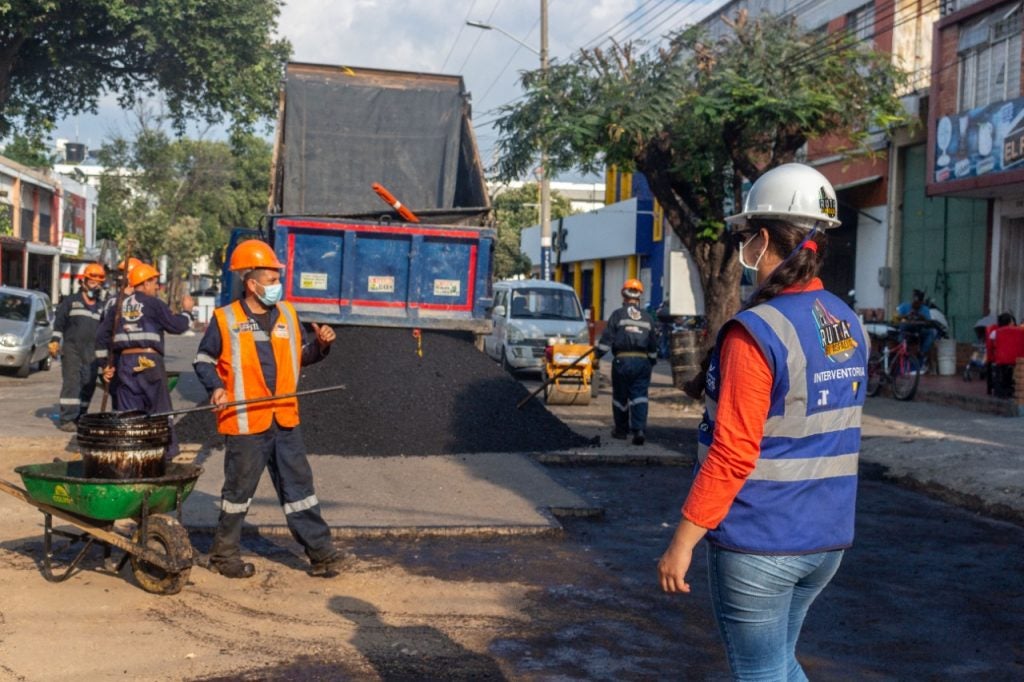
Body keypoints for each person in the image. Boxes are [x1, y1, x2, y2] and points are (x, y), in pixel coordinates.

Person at [657, 163, 869, 680]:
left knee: (760, 672)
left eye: (747, 237)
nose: (745, 249)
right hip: (826, 539)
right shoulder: (848, 322)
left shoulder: (755, 332)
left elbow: (732, 452)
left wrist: (682, 542)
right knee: (778, 665)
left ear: (765, 239)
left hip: (763, 541)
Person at [192, 239, 344, 579]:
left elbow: (299, 357)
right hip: (246, 422)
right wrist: (216, 387)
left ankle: (322, 554)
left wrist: (321, 346)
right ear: (252, 284)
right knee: (238, 493)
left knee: (300, 490)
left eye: (278, 279)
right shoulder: (225, 319)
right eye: (272, 279)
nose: (278, 285)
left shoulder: (287, 314)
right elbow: (203, 359)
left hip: (284, 417)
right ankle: (224, 556)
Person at [96, 262, 194, 457]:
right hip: (149, 362)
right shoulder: (153, 304)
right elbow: (177, 326)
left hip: (125, 364)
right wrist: (187, 312)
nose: (157, 287)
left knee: (128, 413)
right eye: (155, 283)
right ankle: (166, 452)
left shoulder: (118, 306)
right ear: (145, 283)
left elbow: (101, 337)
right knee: (160, 408)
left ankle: (131, 454)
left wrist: (105, 365)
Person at [595, 278, 658, 445]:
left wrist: (596, 356)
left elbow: (606, 340)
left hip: (621, 361)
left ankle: (621, 431)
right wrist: (651, 361)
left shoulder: (618, 315)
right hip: (642, 362)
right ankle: (639, 430)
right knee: (640, 396)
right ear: (639, 296)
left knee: (620, 396)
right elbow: (653, 344)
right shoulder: (647, 318)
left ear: (623, 295)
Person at [50, 263, 106, 431]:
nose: (95, 285)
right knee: (72, 383)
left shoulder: (101, 307)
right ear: (84, 281)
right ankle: (67, 418)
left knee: (88, 384)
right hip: (72, 349)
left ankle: (81, 416)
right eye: (92, 282)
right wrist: (55, 340)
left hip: (92, 352)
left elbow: (105, 331)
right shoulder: (71, 301)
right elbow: (59, 323)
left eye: (98, 283)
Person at [896, 289, 938, 370]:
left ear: (921, 303)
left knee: (931, 333)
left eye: (918, 303)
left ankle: (921, 354)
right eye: (914, 302)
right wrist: (906, 316)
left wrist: (922, 317)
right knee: (900, 333)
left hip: (919, 330)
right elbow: (897, 317)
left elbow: (929, 322)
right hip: (906, 330)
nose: (915, 305)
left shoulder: (924, 309)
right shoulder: (904, 306)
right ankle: (903, 356)